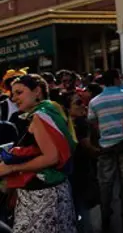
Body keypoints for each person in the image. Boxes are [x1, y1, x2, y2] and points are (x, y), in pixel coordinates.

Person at [0, 74, 77, 233]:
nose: (14, 99)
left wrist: (12, 168)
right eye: (13, 94)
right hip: (54, 190)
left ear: (37, 91)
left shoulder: (39, 117)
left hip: (42, 196)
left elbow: (51, 157)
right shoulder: (52, 109)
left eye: (19, 92)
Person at [88, 69, 123, 233]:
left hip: (106, 144)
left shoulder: (95, 101)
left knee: (105, 181)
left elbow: (93, 123)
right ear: (116, 79)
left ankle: (106, 211)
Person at [60, 91, 101, 233]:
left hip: (72, 171)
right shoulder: (80, 124)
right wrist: (101, 153)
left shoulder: (63, 123)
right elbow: (88, 146)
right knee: (84, 207)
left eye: (81, 101)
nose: (82, 105)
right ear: (67, 108)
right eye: (77, 103)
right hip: (79, 173)